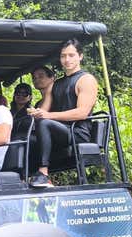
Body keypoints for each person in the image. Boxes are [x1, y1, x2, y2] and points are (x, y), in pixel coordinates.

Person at [28, 39, 98, 187]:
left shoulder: (86, 80)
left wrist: (47, 116)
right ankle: (23, 177)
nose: (67, 60)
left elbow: (82, 113)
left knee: (45, 122)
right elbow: (44, 110)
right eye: (63, 56)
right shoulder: (57, 84)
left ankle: (43, 173)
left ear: (80, 56)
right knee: (28, 138)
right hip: (59, 131)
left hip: (77, 132)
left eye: (71, 55)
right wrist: (37, 112)